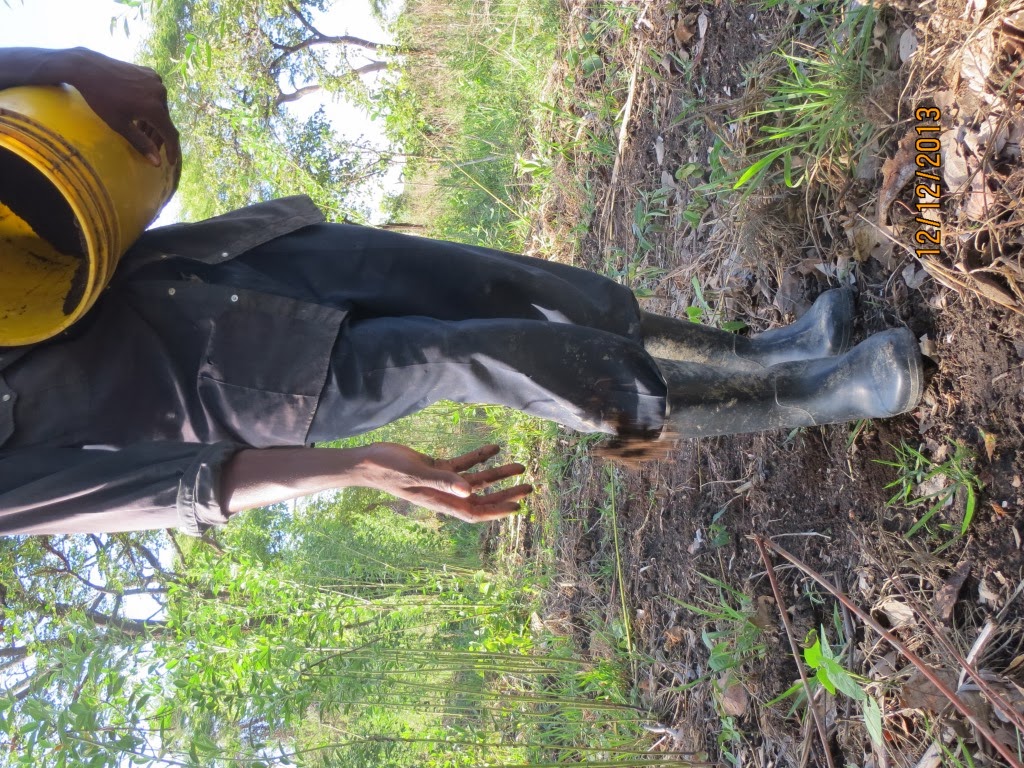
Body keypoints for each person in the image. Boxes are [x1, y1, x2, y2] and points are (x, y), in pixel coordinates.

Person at [0, 47, 923, 537]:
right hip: (251, 383)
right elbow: (171, 490)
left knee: (512, 285)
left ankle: (760, 350)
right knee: (485, 354)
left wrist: (62, 60)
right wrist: (356, 469)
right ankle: (810, 397)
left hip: (237, 262)